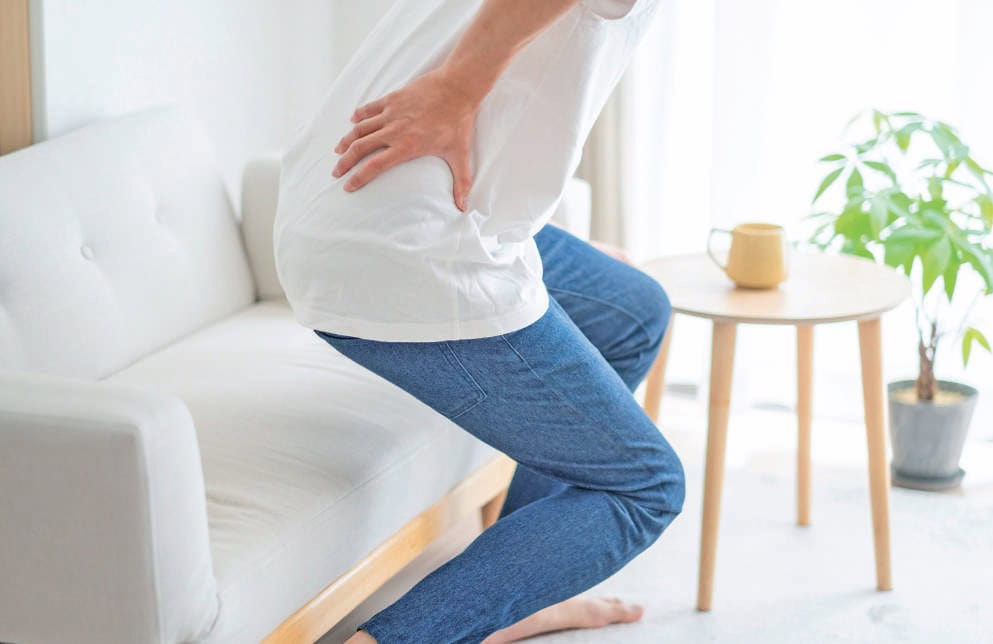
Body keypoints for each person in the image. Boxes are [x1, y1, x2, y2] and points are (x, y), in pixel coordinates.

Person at [273, 0, 685, 641]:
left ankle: (520, 595)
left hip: (370, 203)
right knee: (642, 488)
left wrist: (522, 221)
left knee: (630, 308)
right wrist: (456, 90)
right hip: (409, 244)